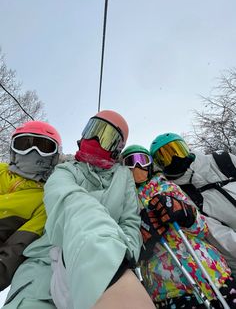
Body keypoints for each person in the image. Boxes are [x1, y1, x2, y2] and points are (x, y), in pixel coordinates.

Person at [3, 110, 155, 309]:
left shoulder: (122, 177)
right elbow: (67, 201)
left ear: (117, 148)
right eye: (92, 131)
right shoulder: (65, 170)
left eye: (105, 137)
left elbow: (130, 222)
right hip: (46, 260)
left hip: (106, 258)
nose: (94, 139)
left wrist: (119, 256)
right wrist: (98, 249)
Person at [121, 144, 236, 308]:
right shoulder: (124, 202)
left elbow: (203, 228)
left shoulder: (169, 187)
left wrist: (187, 216)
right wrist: (143, 243)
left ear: (150, 164)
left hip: (213, 271)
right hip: (168, 287)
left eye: (142, 160)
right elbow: (126, 250)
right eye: (130, 162)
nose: (137, 166)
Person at [149, 133, 236, 278]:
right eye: (165, 158)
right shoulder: (178, 194)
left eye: (177, 150)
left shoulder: (222, 160)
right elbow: (216, 234)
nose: (175, 159)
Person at [0, 120, 62, 291]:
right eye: (24, 144)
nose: (32, 152)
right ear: (13, 150)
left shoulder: (44, 202)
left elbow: (15, 251)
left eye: (43, 147)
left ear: (54, 157)